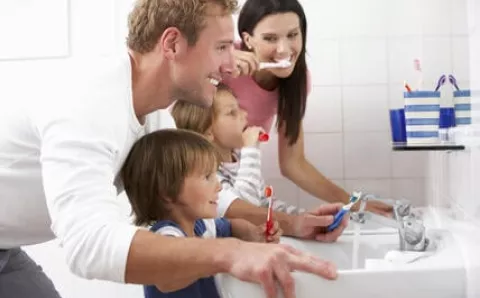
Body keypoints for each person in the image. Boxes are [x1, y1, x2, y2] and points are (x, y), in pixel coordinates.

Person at [0, 1, 344, 298]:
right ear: (173, 43)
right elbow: (87, 244)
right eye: (222, 47)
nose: (231, 66)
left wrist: (293, 223)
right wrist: (230, 253)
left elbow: (204, 192)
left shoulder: (153, 114)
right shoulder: (88, 101)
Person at [225, 0, 393, 216]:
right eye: (270, 38)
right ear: (247, 39)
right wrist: (214, 61)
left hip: (243, 181)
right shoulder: (225, 61)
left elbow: (293, 164)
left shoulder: (299, 80)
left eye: (293, 35)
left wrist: (353, 203)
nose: (284, 49)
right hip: (207, 179)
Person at [121, 128, 282, 298]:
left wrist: (254, 234)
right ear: (167, 192)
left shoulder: (201, 226)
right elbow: (166, 280)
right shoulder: (166, 235)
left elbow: (232, 226)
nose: (219, 186)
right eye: (207, 177)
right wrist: (222, 259)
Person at [171, 83, 305, 215]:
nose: (245, 114)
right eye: (232, 112)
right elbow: (247, 209)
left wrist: (305, 217)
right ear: (208, 132)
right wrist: (251, 150)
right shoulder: (208, 174)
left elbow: (264, 203)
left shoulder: (240, 159)